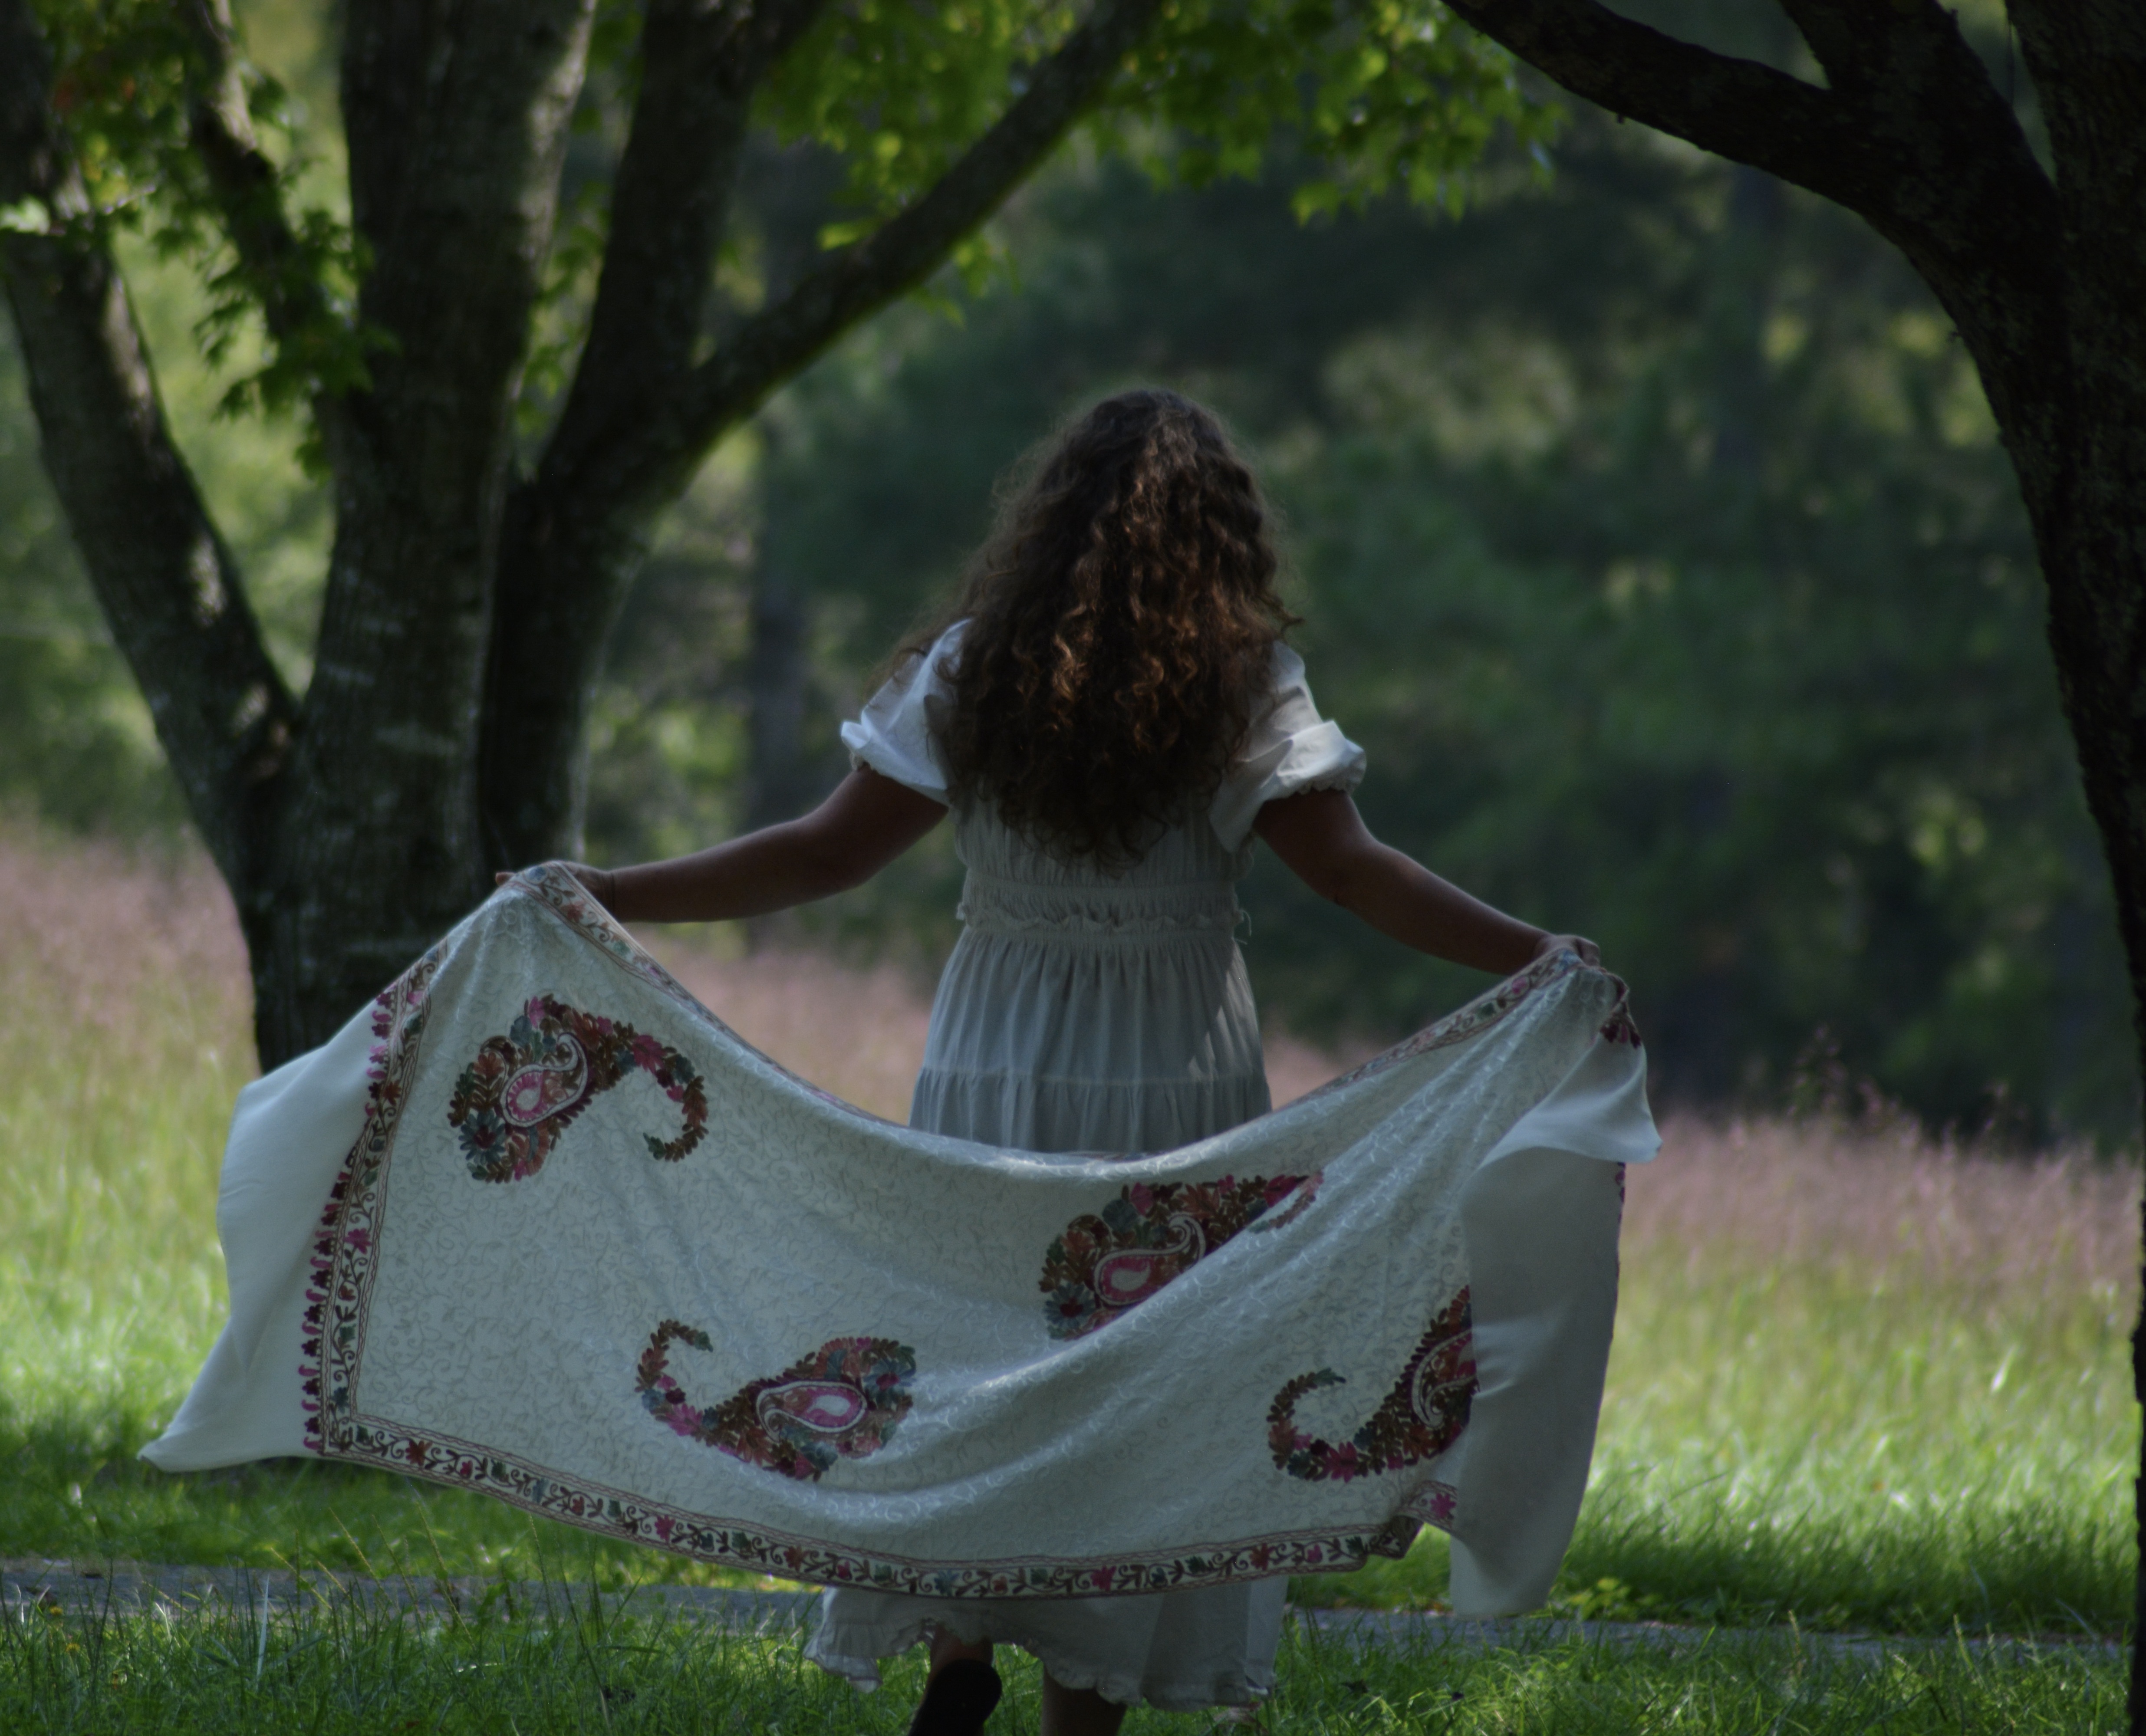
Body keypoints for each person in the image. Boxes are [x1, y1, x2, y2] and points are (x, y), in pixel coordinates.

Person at [547, 389, 1596, 1736]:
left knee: (979, 1357)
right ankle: (1079, 1714)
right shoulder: (1240, 684)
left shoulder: (974, 670)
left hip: (995, 1060)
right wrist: (1533, 953)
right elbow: (1351, 872)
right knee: (1141, 1390)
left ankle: (960, 1656)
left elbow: (818, 854)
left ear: (1047, 525)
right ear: (1224, 539)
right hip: (1175, 1075)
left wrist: (609, 890)